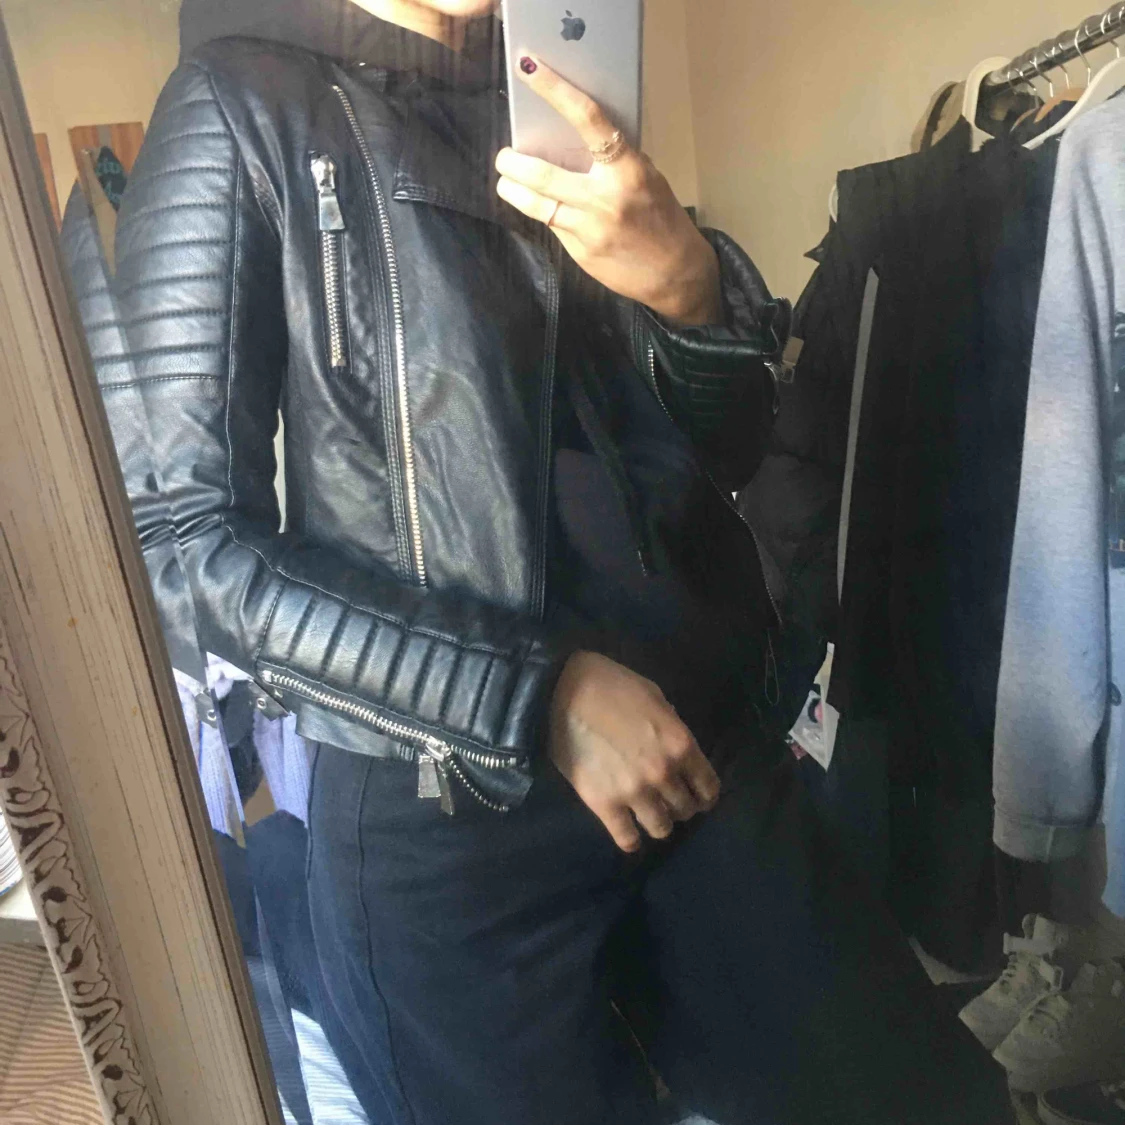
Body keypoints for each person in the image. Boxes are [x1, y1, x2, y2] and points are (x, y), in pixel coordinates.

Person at [107, 0, 1015, 1122]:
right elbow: (181, 544)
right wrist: (538, 697)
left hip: (692, 742)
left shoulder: (547, 93)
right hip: (445, 810)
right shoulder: (241, 101)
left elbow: (721, 449)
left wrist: (688, 294)